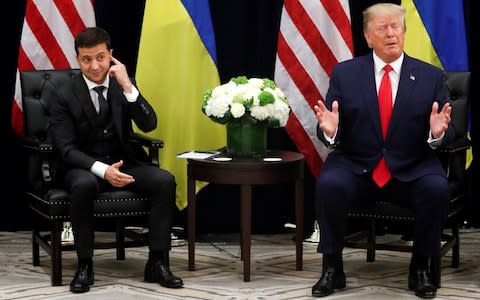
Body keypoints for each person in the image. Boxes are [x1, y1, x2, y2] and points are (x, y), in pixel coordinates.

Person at [311, 3, 453, 299]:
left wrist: (436, 133)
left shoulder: (431, 76)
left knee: (436, 188)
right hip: (356, 163)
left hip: (411, 165)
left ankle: (421, 267)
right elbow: (330, 121)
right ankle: (332, 267)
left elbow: (448, 130)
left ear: (404, 31)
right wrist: (330, 129)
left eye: (396, 27)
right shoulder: (346, 73)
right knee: (329, 184)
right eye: (382, 28)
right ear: (367, 36)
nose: (391, 34)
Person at [49, 27, 183, 293]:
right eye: (86, 59)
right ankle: (85, 265)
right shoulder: (62, 92)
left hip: (126, 162)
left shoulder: (123, 83)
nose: (95, 65)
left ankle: (157, 262)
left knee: (164, 180)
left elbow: (149, 122)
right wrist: (103, 171)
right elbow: (65, 149)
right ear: (77, 59)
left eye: (101, 57)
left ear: (111, 55)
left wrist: (128, 86)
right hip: (83, 167)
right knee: (84, 185)